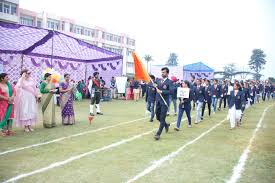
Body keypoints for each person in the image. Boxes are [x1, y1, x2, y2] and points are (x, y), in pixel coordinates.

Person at [154, 67, 173, 140]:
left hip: (164, 103)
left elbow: (171, 92)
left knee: (162, 118)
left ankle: (158, 134)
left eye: (164, 72)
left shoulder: (170, 82)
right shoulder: (158, 80)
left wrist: (162, 91)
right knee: (158, 117)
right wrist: (154, 85)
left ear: (167, 73)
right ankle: (166, 125)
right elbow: (155, 86)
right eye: (162, 72)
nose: (162, 73)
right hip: (158, 101)